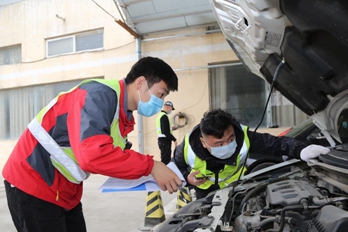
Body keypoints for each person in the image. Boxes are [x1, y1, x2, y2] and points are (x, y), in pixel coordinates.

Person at [2, 56, 183, 232]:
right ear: (141, 83)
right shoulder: (97, 97)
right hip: (33, 180)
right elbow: (93, 155)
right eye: (160, 94)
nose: (160, 103)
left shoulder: (121, 113)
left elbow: (116, 158)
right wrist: (151, 166)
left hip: (64, 187)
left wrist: (181, 179)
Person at [173, 109, 330, 199]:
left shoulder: (244, 137)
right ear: (203, 142)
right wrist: (187, 178)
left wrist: (302, 150)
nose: (227, 146)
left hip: (237, 189)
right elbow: (175, 170)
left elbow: (278, 144)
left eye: (231, 138)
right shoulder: (187, 148)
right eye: (219, 144)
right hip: (206, 193)